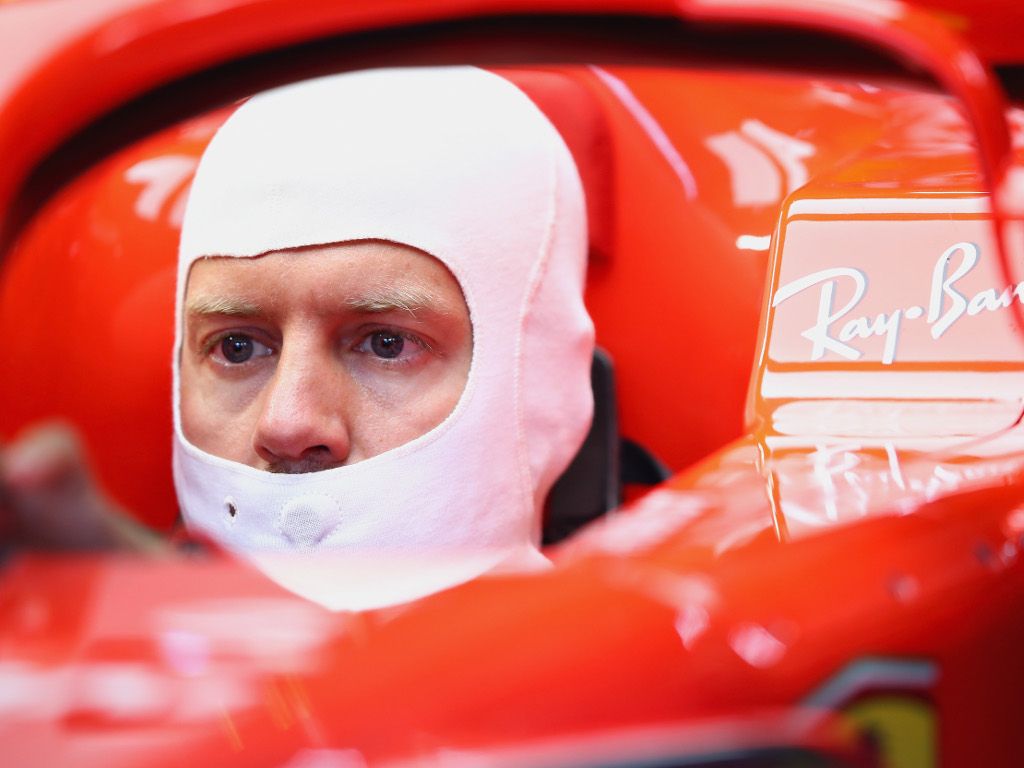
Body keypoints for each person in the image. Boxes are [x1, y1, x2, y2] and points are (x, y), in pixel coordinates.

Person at [0, 66, 594, 609]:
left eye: (386, 344)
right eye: (237, 347)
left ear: (546, 385)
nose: (286, 425)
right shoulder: (88, 650)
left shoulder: (635, 674)